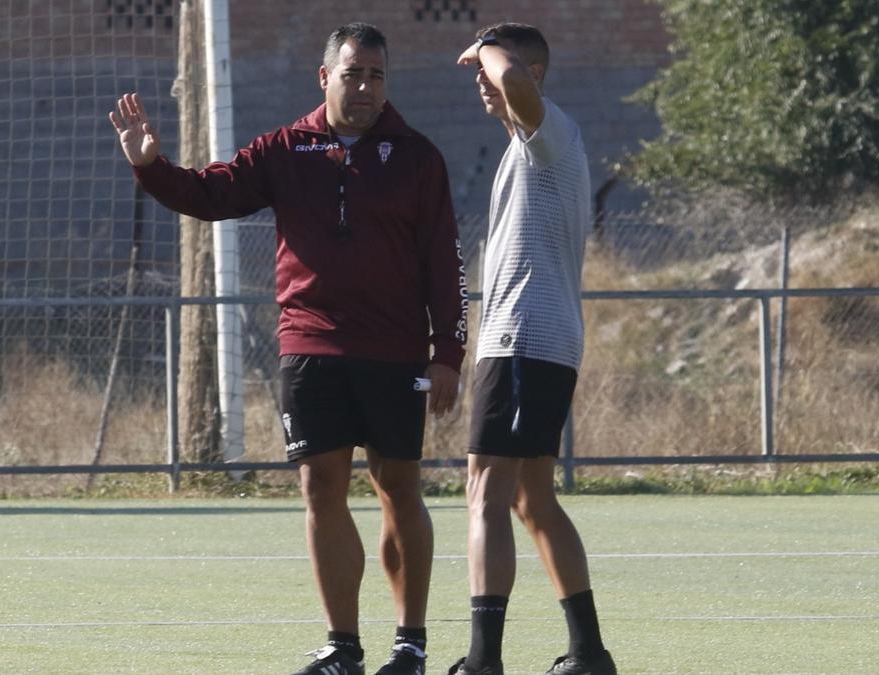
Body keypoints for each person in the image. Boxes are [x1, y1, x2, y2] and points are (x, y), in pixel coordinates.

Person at [108, 22, 468, 675]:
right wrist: (150, 167)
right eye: (353, 74)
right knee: (320, 487)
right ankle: (343, 647)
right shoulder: (284, 149)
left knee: (397, 487)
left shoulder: (419, 157)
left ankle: (410, 646)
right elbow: (210, 193)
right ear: (325, 77)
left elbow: (444, 260)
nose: (366, 88)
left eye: (377, 76)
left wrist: (448, 351)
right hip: (310, 349)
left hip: (394, 353)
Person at [445, 23, 616, 675]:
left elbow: (513, 76)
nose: (483, 80)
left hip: (525, 338)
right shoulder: (529, 146)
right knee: (531, 499)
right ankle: (589, 653)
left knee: (485, 488)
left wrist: (488, 46)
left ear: (533, 75)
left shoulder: (550, 133)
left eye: (490, 70)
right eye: (479, 73)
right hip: (532, 340)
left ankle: (483, 660)